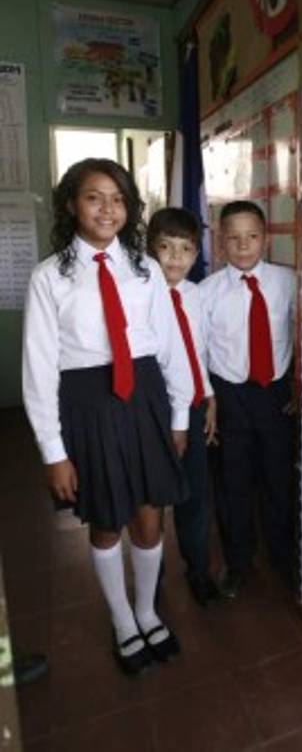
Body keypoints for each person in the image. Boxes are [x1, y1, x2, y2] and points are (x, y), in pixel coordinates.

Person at [22, 158, 192, 677]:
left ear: (130, 209)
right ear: (72, 204)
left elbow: (171, 348)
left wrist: (180, 413)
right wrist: (54, 451)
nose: (107, 209)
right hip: (87, 404)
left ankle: (146, 610)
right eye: (94, 197)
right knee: (105, 518)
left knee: (148, 513)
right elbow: (39, 367)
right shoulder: (50, 277)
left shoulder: (144, 270)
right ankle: (121, 619)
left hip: (143, 398)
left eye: (117, 198)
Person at [197, 200, 296, 598]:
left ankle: (283, 556)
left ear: (265, 238)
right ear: (220, 243)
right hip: (229, 396)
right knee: (232, 483)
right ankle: (238, 561)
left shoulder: (289, 281)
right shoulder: (206, 293)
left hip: (275, 395)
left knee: (279, 479)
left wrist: (297, 387)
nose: (243, 246)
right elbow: (200, 351)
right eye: (233, 238)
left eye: (252, 236)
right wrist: (209, 399)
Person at [147, 207, 220, 607]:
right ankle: (150, 579)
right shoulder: (139, 294)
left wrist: (208, 396)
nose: (175, 258)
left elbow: (198, 351)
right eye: (166, 247)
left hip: (192, 409)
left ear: (196, 253)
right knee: (153, 500)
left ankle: (198, 569)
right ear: (150, 248)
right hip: (154, 414)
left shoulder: (195, 295)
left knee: (195, 494)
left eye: (186, 249)